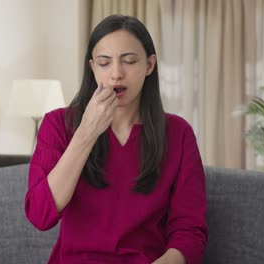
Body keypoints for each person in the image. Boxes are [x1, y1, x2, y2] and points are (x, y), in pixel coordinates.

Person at [25, 14, 208, 264]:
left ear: (149, 65)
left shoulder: (178, 133)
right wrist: (86, 133)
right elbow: (39, 215)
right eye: (104, 63)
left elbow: (190, 232)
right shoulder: (57, 124)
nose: (116, 74)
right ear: (92, 67)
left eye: (129, 61)